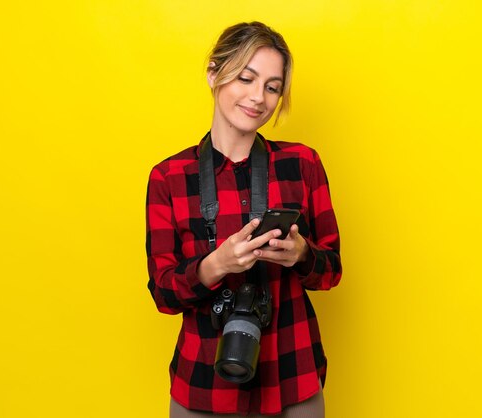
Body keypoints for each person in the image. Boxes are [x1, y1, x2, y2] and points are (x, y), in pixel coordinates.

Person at [146, 21, 342, 417]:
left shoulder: (303, 163)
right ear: (214, 73)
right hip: (203, 383)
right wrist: (215, 265)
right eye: (246, 78)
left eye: (272, 87)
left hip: (292, 375)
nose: (259, 98)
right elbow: (163, 294)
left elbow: (332, 272)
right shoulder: (168, 177)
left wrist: (302, 255)